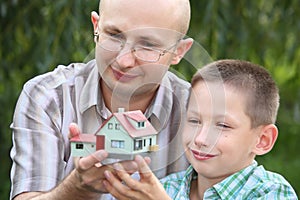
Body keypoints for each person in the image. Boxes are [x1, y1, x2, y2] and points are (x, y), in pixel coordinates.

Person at [9, 0, 194, 199]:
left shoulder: (199, 111)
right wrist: (75, 189)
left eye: (147, 45)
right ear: (96, 26)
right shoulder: (49, 97)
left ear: (178, 51)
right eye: (114, 36)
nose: (123, 61)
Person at [102, 59, 298, 199]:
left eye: (222, 126)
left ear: (262, 140)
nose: (201, 139)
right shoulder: (168, 187)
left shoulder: (270, 192)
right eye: (194, 121)